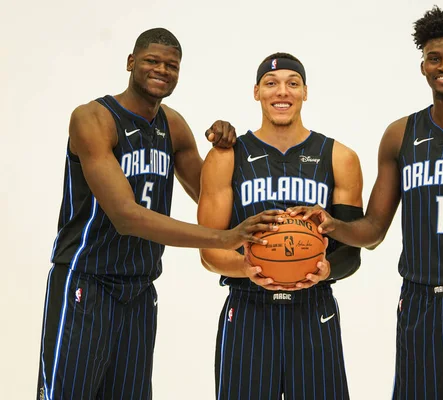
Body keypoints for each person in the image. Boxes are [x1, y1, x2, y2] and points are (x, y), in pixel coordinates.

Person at [290, 7, 443, 399]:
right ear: (423, 66)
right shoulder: (399, 135)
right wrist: (333, 224)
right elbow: (373, 231)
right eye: (434, 58)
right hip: (419, 303)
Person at [37, 28, 280, 400]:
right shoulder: (93, 118)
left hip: (139, 289)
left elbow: (210, 197)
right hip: (86, 281)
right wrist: (223, 239)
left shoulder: (173, 125)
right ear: (131, 62)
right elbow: (126, 216)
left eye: (172, 65)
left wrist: (223, 150)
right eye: (152, 61)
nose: (162, 70)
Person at [197, 52, 364, 399]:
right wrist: (247, 266)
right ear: (256, 92)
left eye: (292, 83)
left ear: (305, 92)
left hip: (313, 307)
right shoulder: (227, 156)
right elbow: (209, 252)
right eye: (271, 84)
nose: (281, 92)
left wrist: (326, 268)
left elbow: (352, 252)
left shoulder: (340, 157)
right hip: (247, 308)